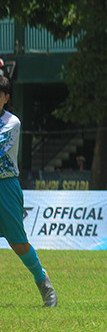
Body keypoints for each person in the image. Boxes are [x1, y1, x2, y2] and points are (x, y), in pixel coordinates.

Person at [0, 71, 57, 307]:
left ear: (6, 97)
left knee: (18, 242)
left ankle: (43, 282)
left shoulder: (12, 123)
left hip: (6, 185)